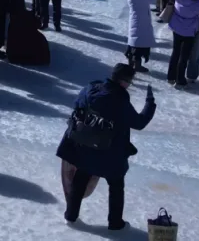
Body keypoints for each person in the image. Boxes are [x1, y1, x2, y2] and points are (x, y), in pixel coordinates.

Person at [57, 64, 155, 230]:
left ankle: (71, 216)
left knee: (81, 178)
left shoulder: (91, 88)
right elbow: (139, 123)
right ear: (124, 82)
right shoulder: (119, 100)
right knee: (116, 185)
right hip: (110, 151)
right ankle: (115, 223)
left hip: (84, 145)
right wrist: (150, 103)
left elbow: (77, 104)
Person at [167, 0, 199, 88]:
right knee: (184, 56)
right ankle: (180, 79)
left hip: (176, 28)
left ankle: (171, 76)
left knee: (175, 53)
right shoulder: (197, 5)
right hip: (188, 32)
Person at [124, 0, 157, 72]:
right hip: (141, 20)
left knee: (135, 41)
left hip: (138, 19)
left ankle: (131, 63)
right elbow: (152, 0)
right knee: (138, 42)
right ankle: (136, 65)